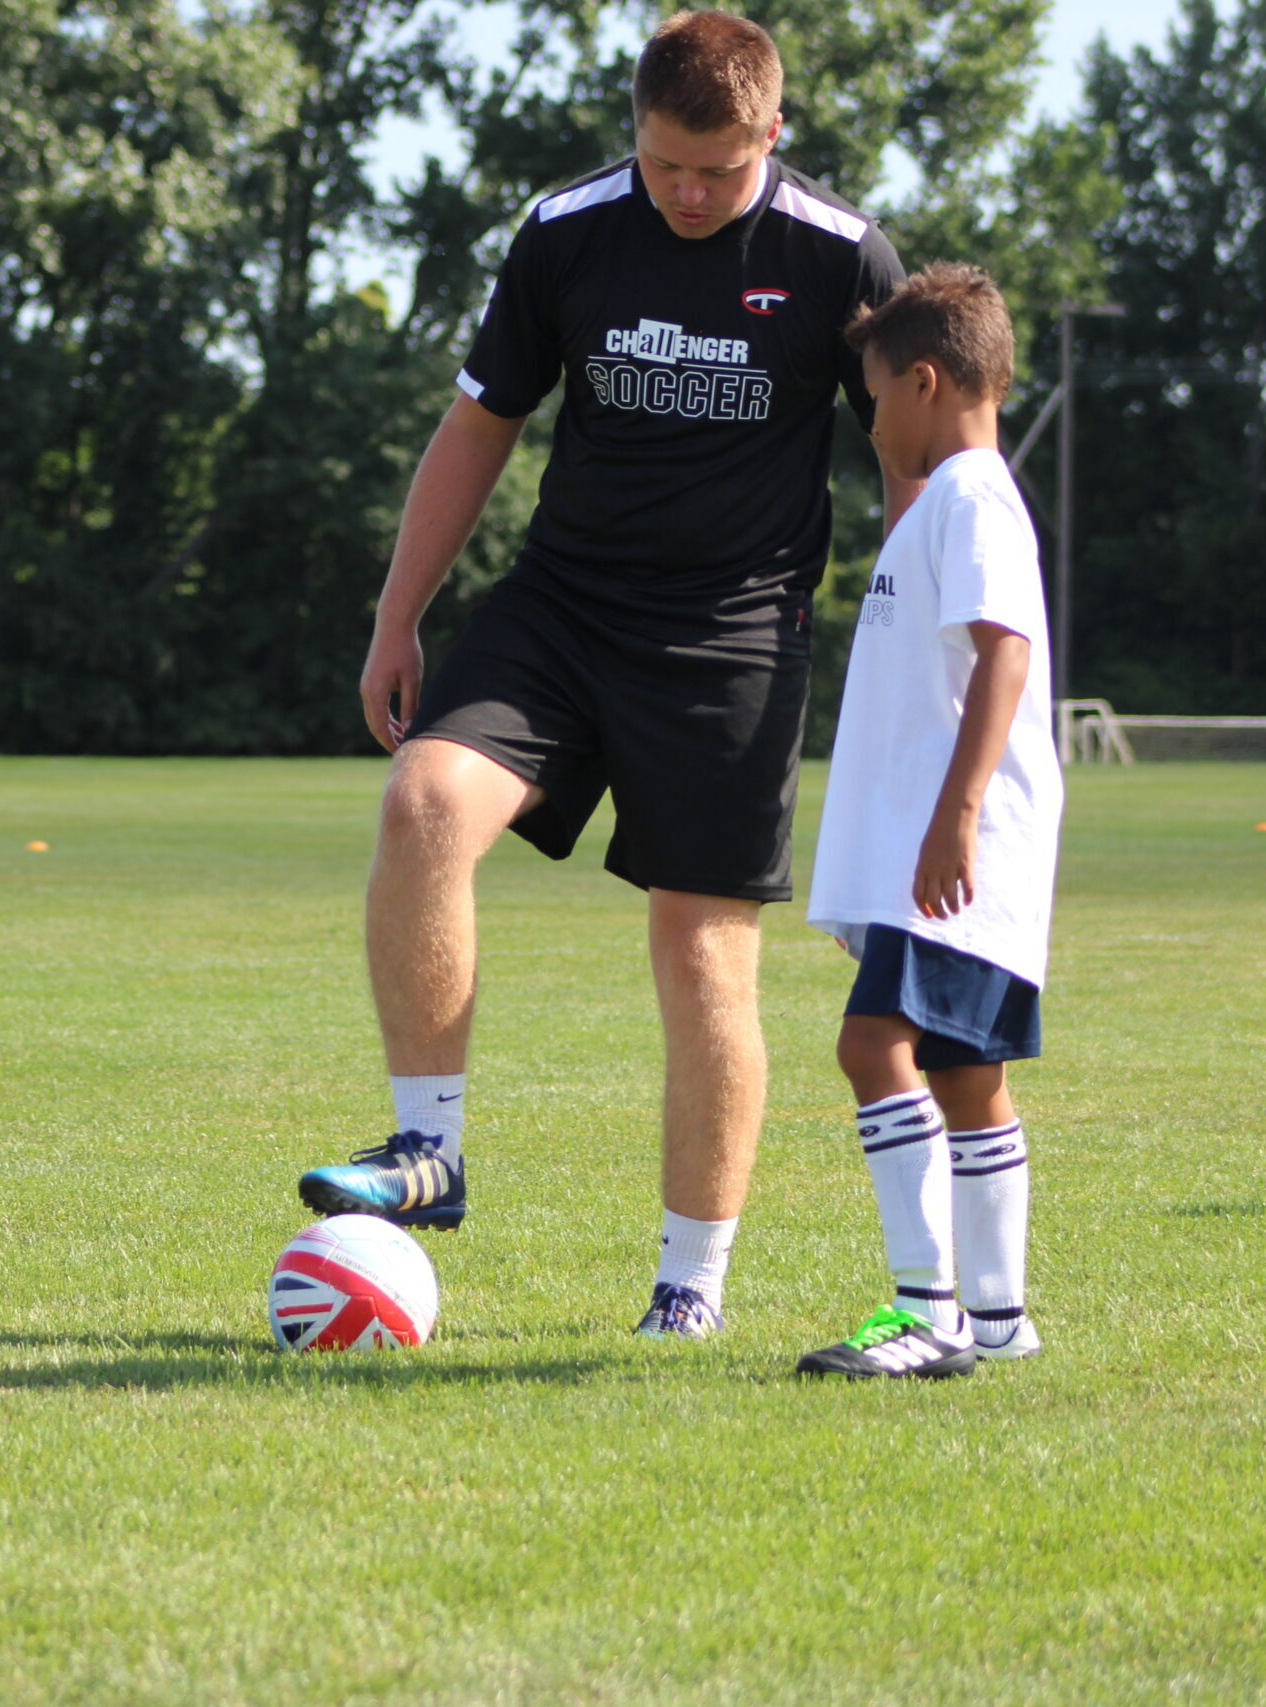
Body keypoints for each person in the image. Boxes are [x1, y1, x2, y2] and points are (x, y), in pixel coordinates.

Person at [293, 10, 918, 1338]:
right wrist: (398, 613)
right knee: (421, 803)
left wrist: (938, 637)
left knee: (701, 957)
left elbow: (913, 455)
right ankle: (428, 1150)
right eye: (663, 166)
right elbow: (481, 423)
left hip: (735, 634)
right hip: (563, 608)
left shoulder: (837, 255)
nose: (686, 195)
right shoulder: (566, 230)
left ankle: (689, 1281)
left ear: (773, 134)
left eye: (718, 170)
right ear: (633, 133)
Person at [794, 262, 1057, 1379]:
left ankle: (926, 1310)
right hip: (946, 856)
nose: (868, 425)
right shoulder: (952, 501)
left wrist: (952, 817)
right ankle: (997, 1321)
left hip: (954, 854)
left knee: (869, 1046)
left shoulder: (967, 497)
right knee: (964, 1077)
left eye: (872, 398)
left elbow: (1006, 649)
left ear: (926, 379)